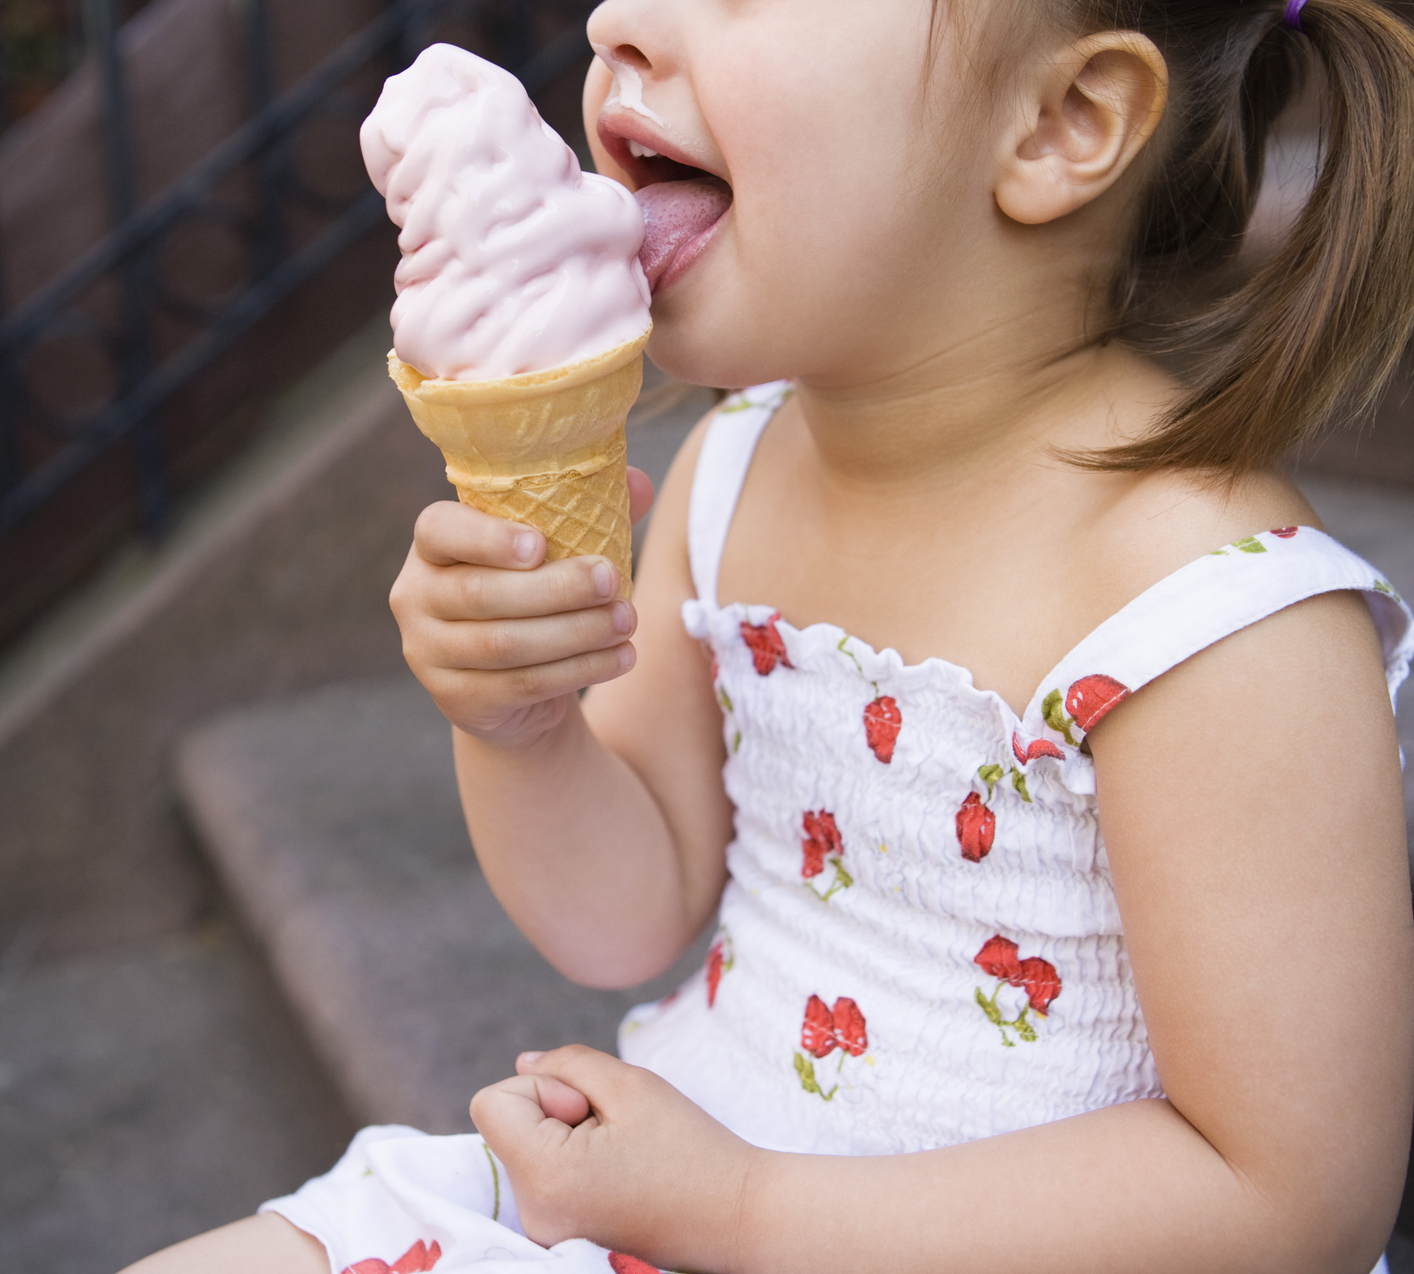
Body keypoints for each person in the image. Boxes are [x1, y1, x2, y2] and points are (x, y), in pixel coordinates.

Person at [123, 0, 1414, 1271]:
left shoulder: (1207, 613)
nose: (616, 22)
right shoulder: (733, 467)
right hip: (680, 1181)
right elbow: (622, 916)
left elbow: (1286, 1203)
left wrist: (741, 1208)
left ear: (1058, 124)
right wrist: (521, 729)